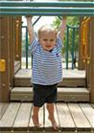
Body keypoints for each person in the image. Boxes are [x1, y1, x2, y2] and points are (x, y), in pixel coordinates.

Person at [26, 16, 66, 130]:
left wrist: (64, 20)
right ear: (39, 40)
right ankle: (35, 116)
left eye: (51, 40)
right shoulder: (36, 49)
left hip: (53, 84)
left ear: (55, 40)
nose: (48, 42)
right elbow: (31, 34)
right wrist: (29, 21)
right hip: (39, 84)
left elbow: (61, 33)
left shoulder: (57, 47)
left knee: (51, 103)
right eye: (45, 40)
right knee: (37, 104)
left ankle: (51, 117)